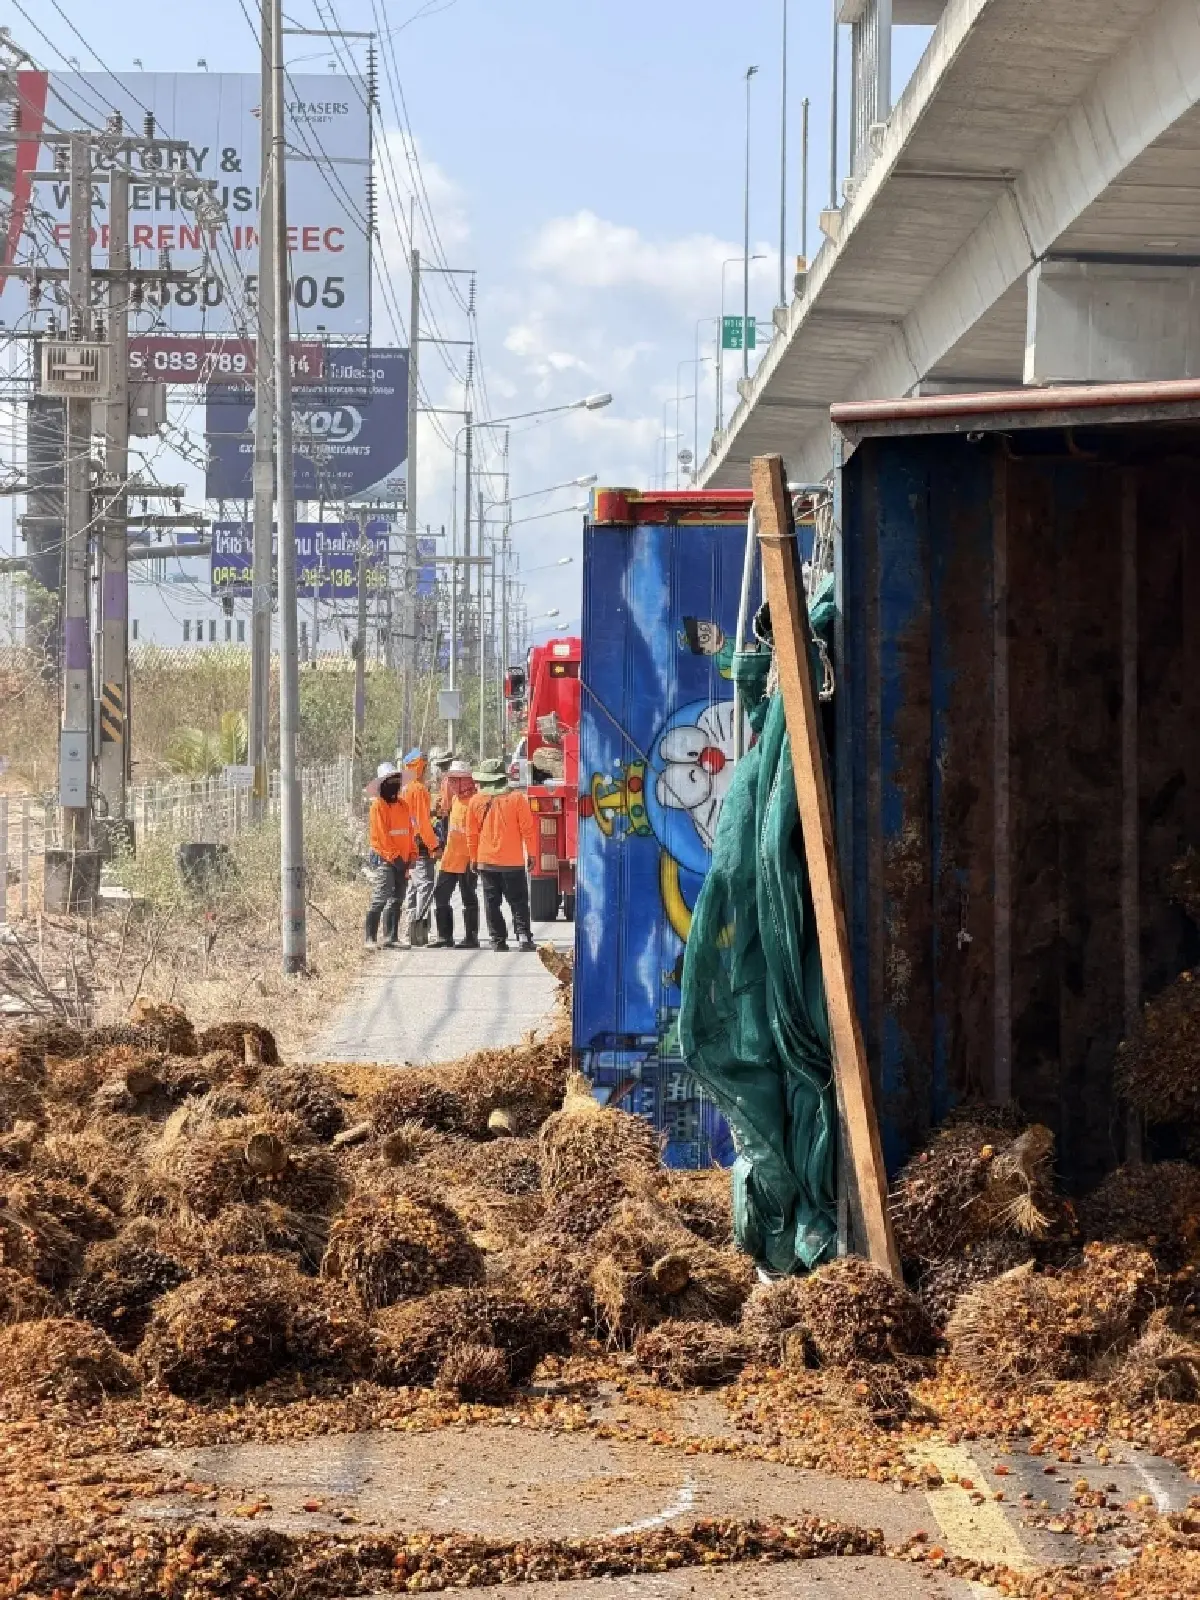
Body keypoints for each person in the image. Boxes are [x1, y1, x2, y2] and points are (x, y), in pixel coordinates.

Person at [467, 757, 538, 953]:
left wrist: (473, 858)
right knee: (518, 901)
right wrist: (531, 854)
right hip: (513, 863)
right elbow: (528, 830)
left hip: (486, 862)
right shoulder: (516, 799)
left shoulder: (475, 801)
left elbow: (471, 834)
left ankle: (498, 941)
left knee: (492, 902)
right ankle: (523, 937)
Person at [364, 761, 415, 948]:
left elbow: (409, 832)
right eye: (391, 781)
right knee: (380, 898)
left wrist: (411, 855)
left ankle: (391, 937)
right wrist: (395, 858)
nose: (395, 784)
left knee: (397, 898)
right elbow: (381, 837)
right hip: (386, 860)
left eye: (397, 780)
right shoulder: (378, 807)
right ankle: (369, 938)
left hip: (404, 860)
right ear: (382, 785)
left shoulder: (403, 805)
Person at [430, 759, 481, 949]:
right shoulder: (454, 800)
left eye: (457, 779)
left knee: (468, 897)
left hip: (468, 858)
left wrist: (476, 858)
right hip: (451, 857)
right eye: (451, 779)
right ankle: (444, 937)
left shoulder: (476, 802)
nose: (453, 783)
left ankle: (471, 937)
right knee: (441, 895)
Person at [400, 748, 440, 945]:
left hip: (407, 843)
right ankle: (421, 929)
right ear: (419, 766)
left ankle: (409, 930)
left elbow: (414, 817)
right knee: (425, 885)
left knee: (414, 887)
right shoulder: (418, 789)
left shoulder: (405, 788)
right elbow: (422, 822)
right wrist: (434, 845)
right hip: (420, 843)